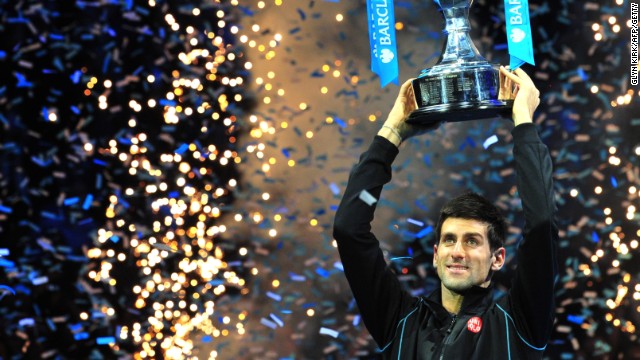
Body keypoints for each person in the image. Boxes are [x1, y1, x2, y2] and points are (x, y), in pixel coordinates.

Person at [333, 66, 558, 359]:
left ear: (498, 258)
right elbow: (349, 229)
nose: (457, 251)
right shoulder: (400, 322)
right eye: (450, 240)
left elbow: (541, 222)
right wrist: (393, 129)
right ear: (436, 253)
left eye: (472, 241)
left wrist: (523, 120)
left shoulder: (517, 323)